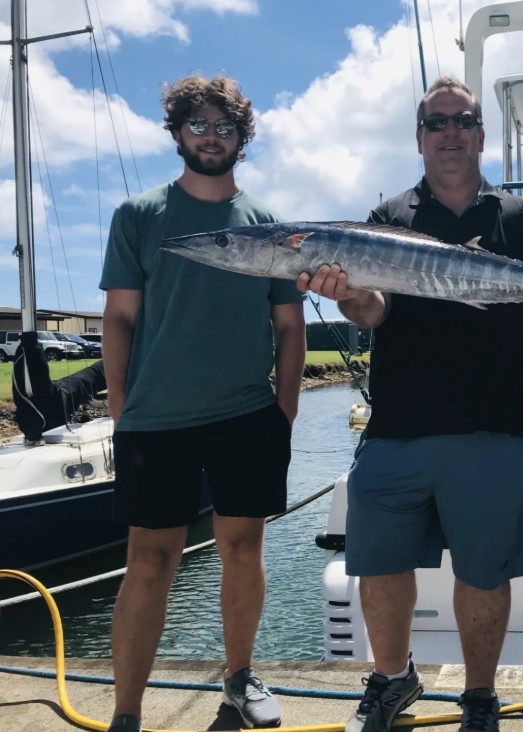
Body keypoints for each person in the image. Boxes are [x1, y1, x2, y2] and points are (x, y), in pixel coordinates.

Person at [298, 75, 523, 732]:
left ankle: (479, 697)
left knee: (482, 571)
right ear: (419, 136)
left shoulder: (520, 216)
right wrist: (350, 299)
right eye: (437, 122)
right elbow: (375, 306)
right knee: (380, 565)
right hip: (396, 427)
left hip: (492, 427)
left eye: (462, 120)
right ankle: (391, 679)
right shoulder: (387, 218)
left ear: (479, 132)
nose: (450, 133)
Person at [100, 75, 306, 732]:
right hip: (155, 421)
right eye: (200, 125)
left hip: (248, 415)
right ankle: (127, 712)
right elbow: (119, 319)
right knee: (149, 562)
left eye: (225, 127)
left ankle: (239, 681)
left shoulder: (268, 223)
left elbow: (290, 327)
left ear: (242, 138)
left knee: (243, 550)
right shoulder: (138, 216)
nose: (212, 137)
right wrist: (120, 406)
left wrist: (287, 409)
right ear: (178, 133)